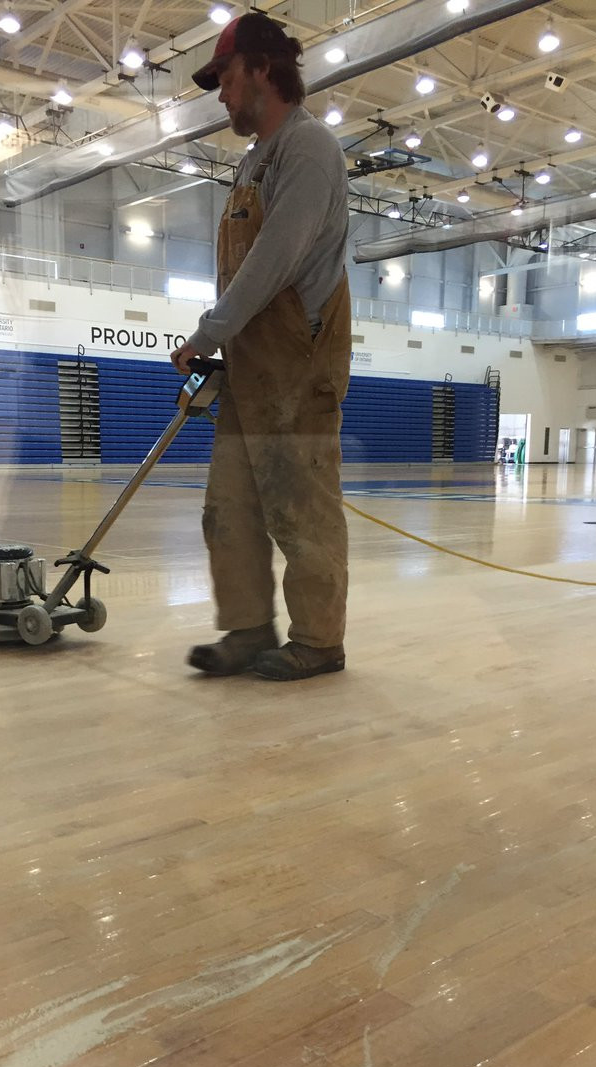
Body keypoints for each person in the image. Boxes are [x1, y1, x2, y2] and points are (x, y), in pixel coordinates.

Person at [171, 12, 351, 682]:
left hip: (298, 367)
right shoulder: (254, 161)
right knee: (230, 508)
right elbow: (245, 274)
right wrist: (221, 336)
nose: (220, 95)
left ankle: (318, 640)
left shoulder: (309, 150)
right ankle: (247, 630)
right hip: (250, 364)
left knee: (300, 508)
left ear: (261, 70)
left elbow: (274, 260)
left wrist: (208, 332)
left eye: (225, 79)